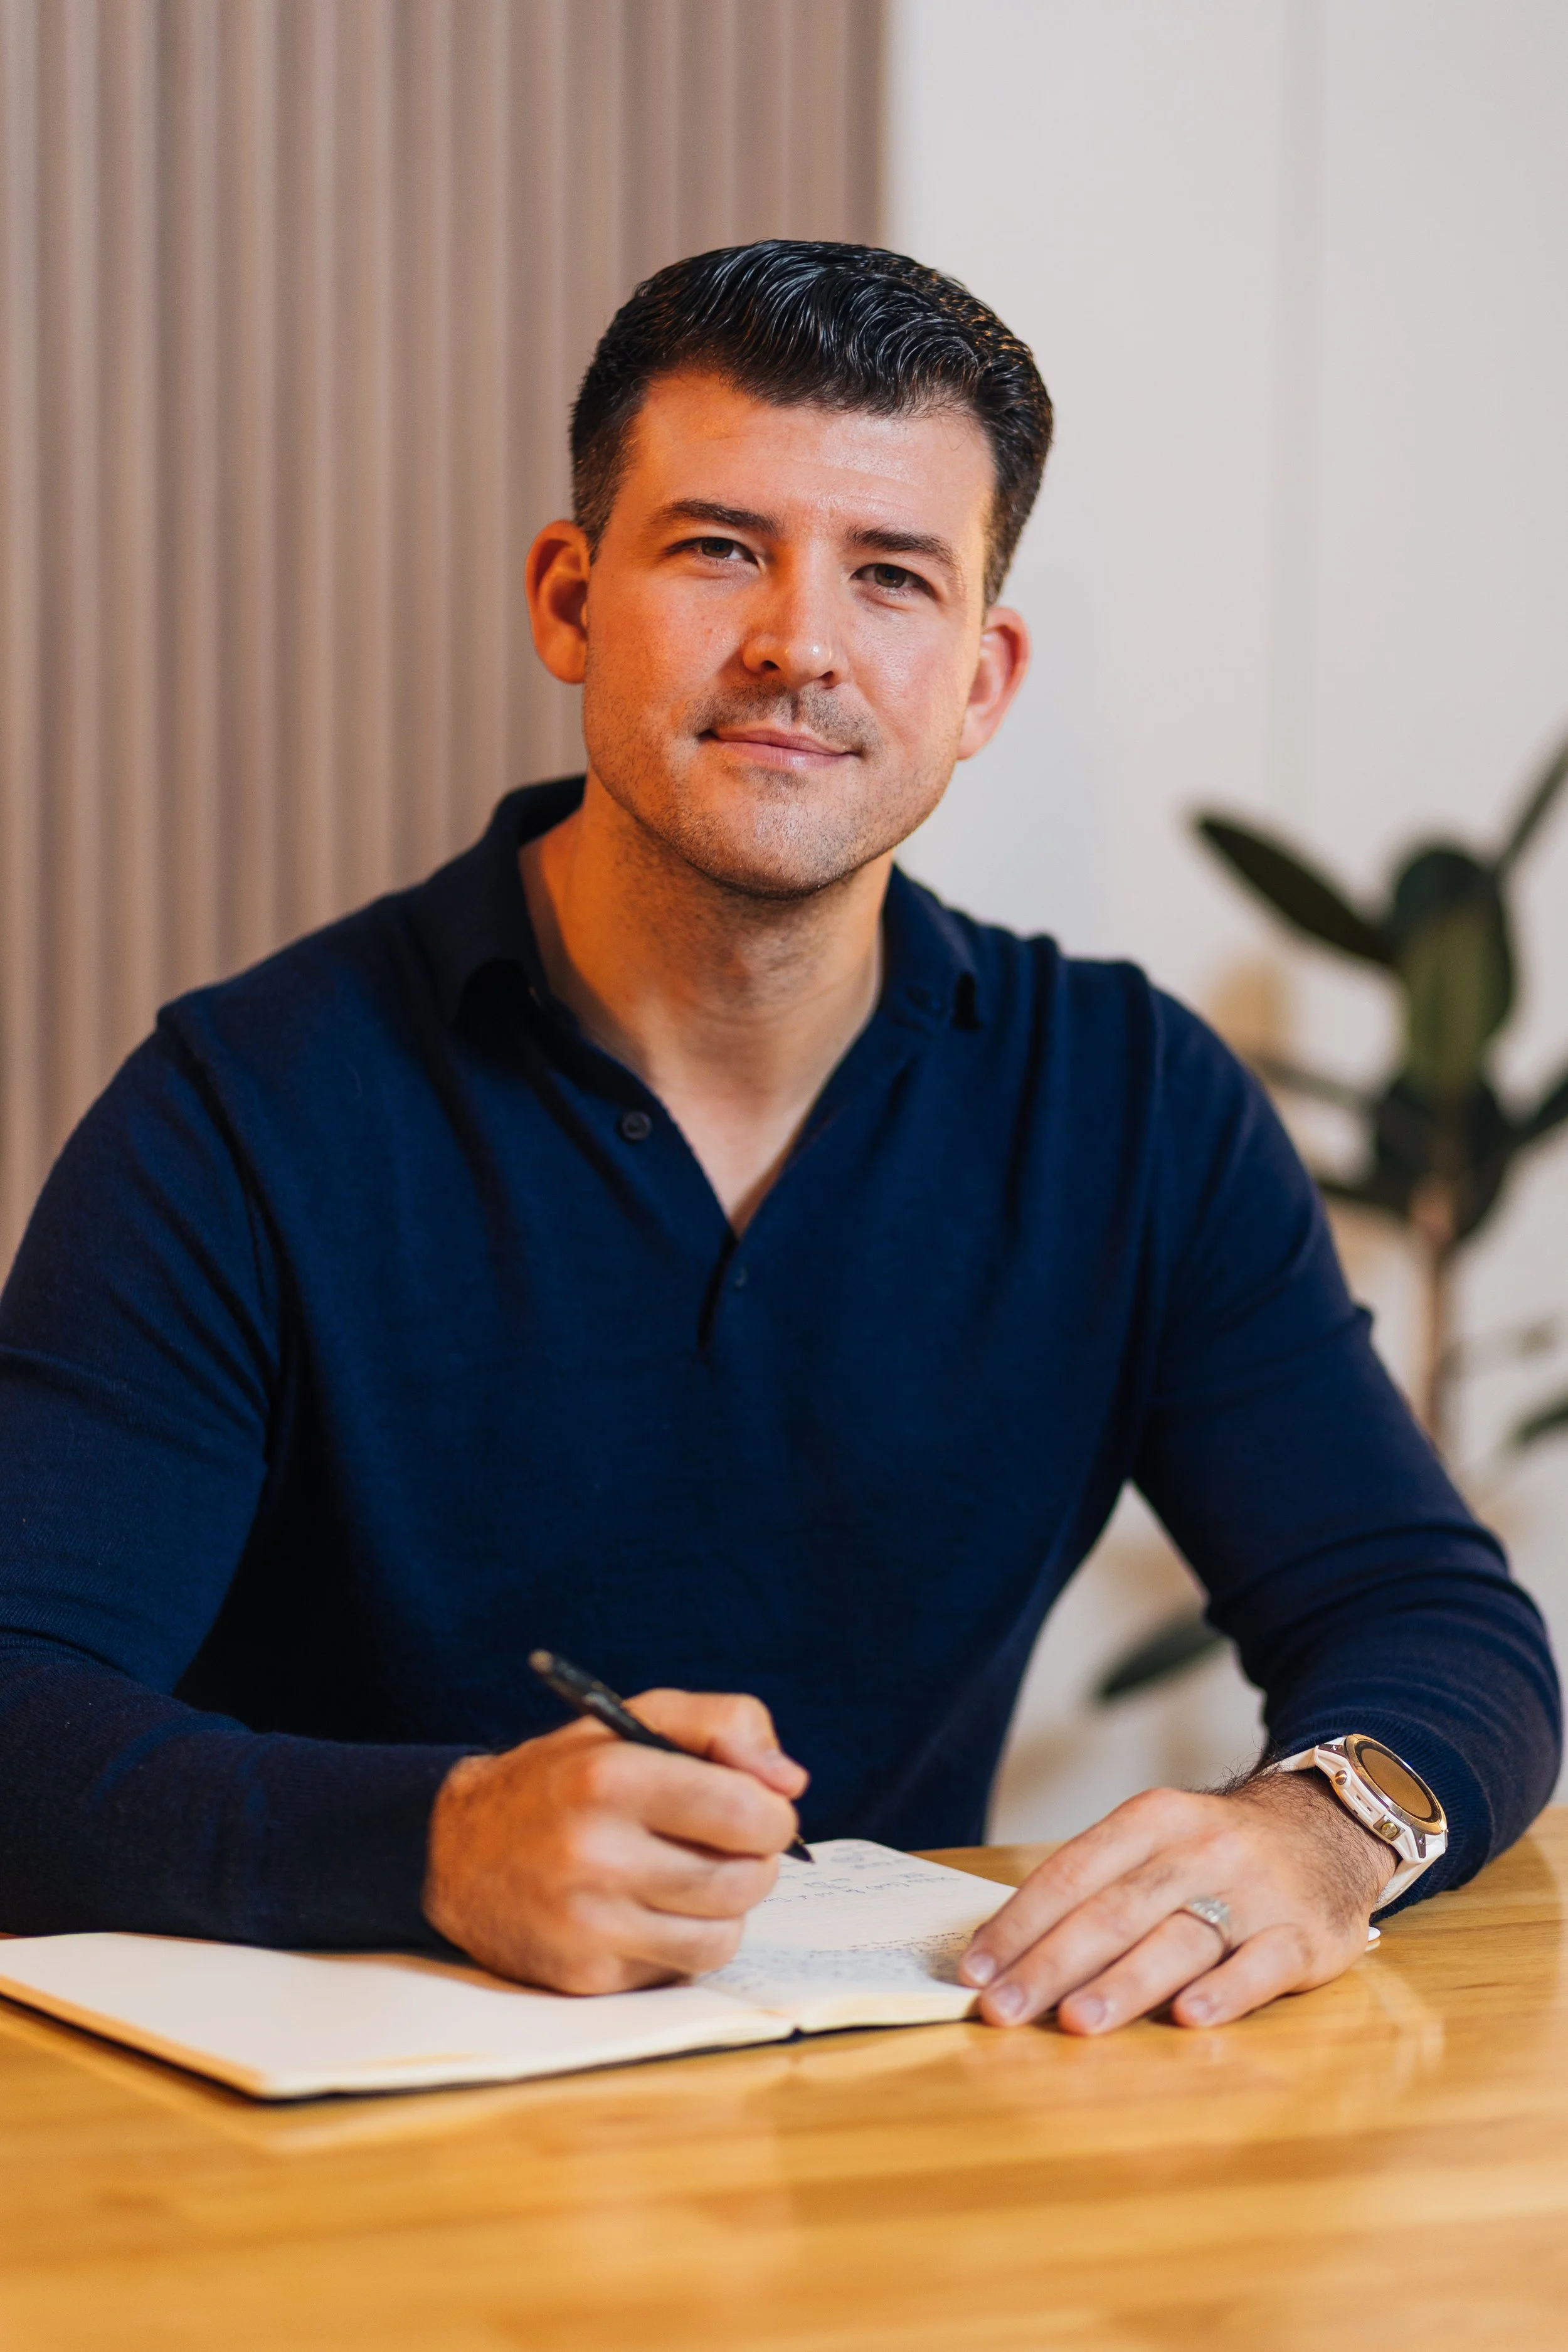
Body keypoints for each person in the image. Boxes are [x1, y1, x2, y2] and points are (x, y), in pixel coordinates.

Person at [0, 243, 1556, 2040]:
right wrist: (428, 1838)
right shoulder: (246, 1103)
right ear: (569, 600)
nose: (796, 643)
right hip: (311, 2144)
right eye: (718, 546)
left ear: (980, 678)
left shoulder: (1130, 1103)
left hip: (882, 2133)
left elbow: (1432, 1615)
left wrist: (1322, 1826)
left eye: (890, 575)